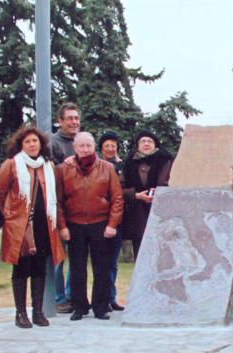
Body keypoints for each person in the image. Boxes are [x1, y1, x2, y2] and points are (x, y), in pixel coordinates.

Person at [0, 126, 65, 328]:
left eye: (35, 141)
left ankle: (38, 311)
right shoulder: (12, 165)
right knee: (21, 269)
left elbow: (56, 194)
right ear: (21, 145)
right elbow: (0, 192)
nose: (32, 144)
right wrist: (10, 215)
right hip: (20, 227)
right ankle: (20, 313)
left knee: (40, 269)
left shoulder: (48, 166)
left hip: (44, 225)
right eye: (28, 142)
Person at [57, 132, 123, 321]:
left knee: (101, 268)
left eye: (88, 145)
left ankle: (100, 307)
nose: (85, 149)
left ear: (94, 147)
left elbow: (117, 198)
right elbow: (58, 201)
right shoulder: (64, 169)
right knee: (77, 268)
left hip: (100, 224)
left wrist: (112, 224)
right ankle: (79, 307)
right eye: (81, 146)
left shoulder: (107, 168)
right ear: (75, 148)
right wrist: (63, 226)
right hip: (74, 224)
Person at [121, 129, 173, 257]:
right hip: (138, 216)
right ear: (137, 146)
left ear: (155, 145)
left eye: (150, 141)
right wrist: (136, 195)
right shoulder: (129, 163)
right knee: (141, 256)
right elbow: (119, 189)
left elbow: (176, 184)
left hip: (163, 215)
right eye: (143, 141)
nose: (146, 143)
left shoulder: (167, 161)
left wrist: (161, 191)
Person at [49, 102, 80, 314]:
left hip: (78, 210)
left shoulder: (82, 142)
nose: (74, 122)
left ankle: (72, 296)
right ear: (60, 121)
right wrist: (65, 165)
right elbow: (49, 172)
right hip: (58, 207)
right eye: (69, 118)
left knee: (77, 258)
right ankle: (58, 298)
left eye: (76, 118)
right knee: (58, 257)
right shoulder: (52, 143)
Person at [99, 130, 126, 311]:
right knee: (101, 261)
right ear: (101, 149)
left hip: (117, 219)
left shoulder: (123, 166)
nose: (110, 148)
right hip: (99, 219)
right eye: (106, 146)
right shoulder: (97, 166)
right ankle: (101, 298)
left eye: (113, 146)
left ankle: (111, 297)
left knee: (113, 263)